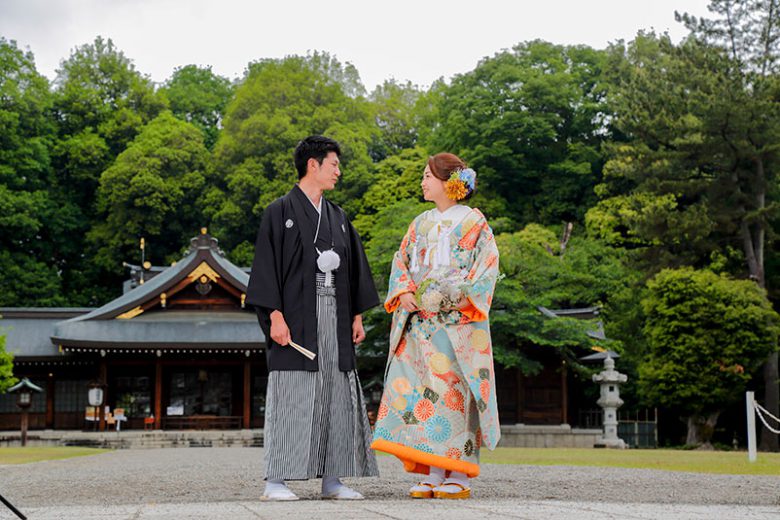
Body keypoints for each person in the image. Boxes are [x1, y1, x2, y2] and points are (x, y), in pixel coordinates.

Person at [246, 135, 380, 501]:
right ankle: (276, 480)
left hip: (334, 317)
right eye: (334, 164)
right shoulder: (280, 211)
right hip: (295, 318)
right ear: (313, 165)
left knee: (335, 394)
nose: (339, 171)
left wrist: (355, 316)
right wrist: (274, 314)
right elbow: (266, 268)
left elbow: (353, 270)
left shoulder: (338, 217)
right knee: (292, 394)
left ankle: (332, 480)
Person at [370, 153, 500, 499]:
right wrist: (405, 292)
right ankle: (432, 470)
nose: (423, 181)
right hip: (421, 326)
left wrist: (453, 296)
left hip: (456, 326)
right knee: (423, 397)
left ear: (448, 182)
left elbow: (486, 268)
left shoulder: (475, 224)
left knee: (453, 396)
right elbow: (402, 262)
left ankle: (459, 473)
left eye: (428, 176)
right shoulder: (419, 223)